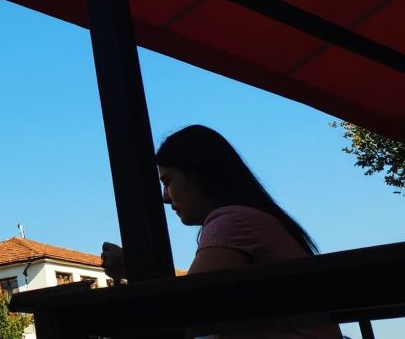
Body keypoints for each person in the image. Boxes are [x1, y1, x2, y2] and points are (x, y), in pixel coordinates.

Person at [101, 125, 336, 338]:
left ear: (197, 174)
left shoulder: (233, 221)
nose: (164, 197)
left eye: (168, 181)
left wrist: (133, 267)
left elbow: (185, 309)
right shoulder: (250, 219)